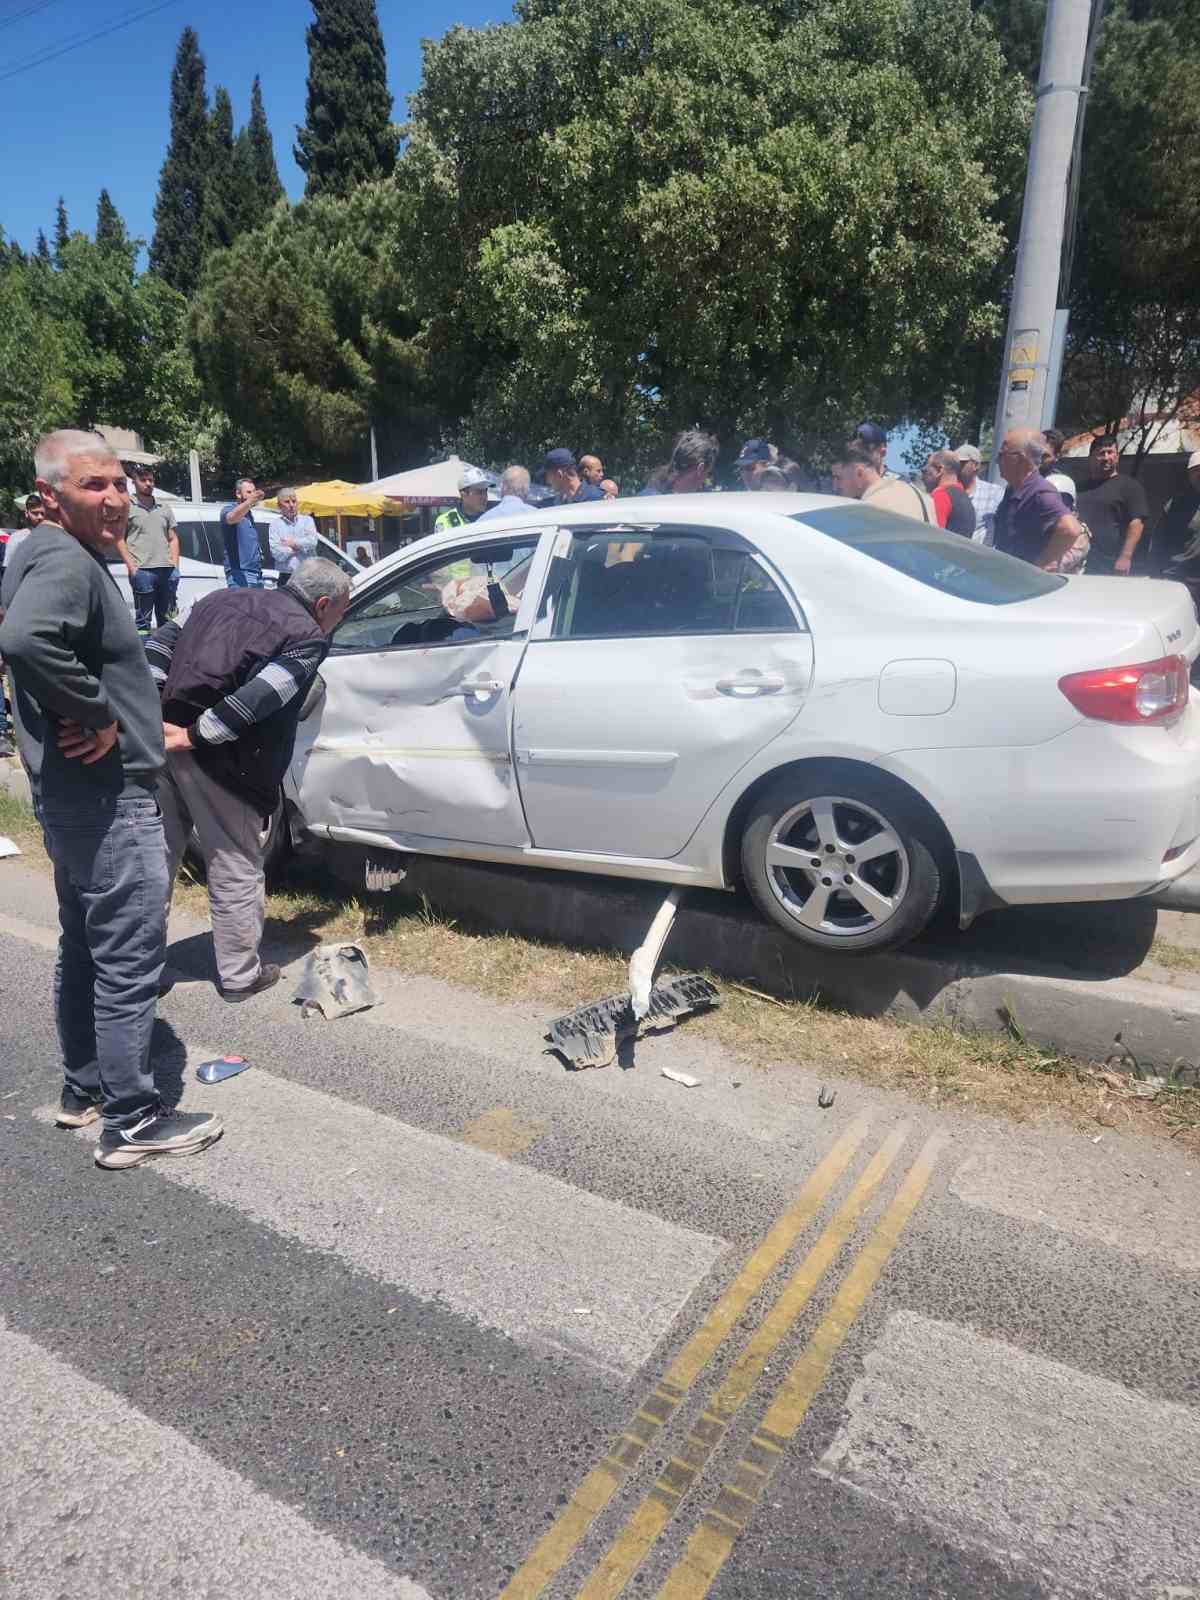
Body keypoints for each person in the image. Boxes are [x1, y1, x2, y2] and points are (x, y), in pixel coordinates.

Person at [0, 429, 221, 1169]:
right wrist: (97, 713)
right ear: (50, 496)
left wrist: (106, 707)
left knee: (86, 944)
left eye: (121, 483)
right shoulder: (63, 558)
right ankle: (132, 1118)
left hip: (71, 797)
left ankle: (84, 1089)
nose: (116, 498)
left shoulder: (41, 554)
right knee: (128, 955)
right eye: (95, 486)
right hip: (105, 797)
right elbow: (28, 641)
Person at [148, 558, 351, 1001]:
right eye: (342, 610)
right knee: (235, 864)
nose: (341, 619)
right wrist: (196, 736)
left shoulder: (218, 598)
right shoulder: (306, 637)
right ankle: (240, 974)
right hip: (225, 762)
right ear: (322, 604)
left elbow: (159, 643)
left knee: (155, 861)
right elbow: (261, 697)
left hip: (163, 746)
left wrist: (153, 712)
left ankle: (141, 971)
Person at [992, 428, 1086, 570]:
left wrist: (1041, 564)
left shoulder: (1040, 492)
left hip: (1022, 583)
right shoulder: (1012, 489)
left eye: (1002, 455)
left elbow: (1070, 529)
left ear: (1020, 459)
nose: (996, 460)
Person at [117, 464, 180, 634]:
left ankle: (166, 656)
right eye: (143, 480)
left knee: (168, 619)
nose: (148, 483)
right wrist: (132, 568)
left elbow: (173, 538)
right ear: (134, 482)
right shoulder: (126, 506)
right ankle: (145, 657)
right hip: (143, 571)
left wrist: (175, 566)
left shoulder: (164, 507)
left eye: (150, 480)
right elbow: (118, 538)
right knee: (143, 622)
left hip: (166, 571)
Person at [1076, 434, 1149, 575]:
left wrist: (1125, 557)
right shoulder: (1079, 488)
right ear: (1091, 457)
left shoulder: (1129, 486)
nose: (1106, 457)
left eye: (1111, 452)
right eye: (1101, 453)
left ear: (1117, 456)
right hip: (1078, 562)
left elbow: (1137, 523)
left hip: (1110, 564)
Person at [833, 438, 936, 521]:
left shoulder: (870, 508)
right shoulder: (920, 495)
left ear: (859, 474)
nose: (835, 486)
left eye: (839, 478)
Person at [1154, 450, 1200, 591]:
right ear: (1189, 475)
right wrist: (1156, 574)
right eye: (1196, 471)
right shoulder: (1176, 505)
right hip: (1180, 579)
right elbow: (1158, 542)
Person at [221, 476, 267, 587]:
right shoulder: (229, 508)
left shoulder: (249, 514)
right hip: (240, 572)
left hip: (256, 573)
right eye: (249, 492)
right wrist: (251, 501)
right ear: (238, 494)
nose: (253, 495)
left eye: (254, 492)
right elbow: (231, 517)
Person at [267, 488, 319, 587]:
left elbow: (312, 542)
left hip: (308, 575)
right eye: (287, 502)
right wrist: (297, 547)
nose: (291, 505)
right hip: (286, 576)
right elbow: (276, 553)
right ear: (279, 506)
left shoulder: (307, 520)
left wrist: (293, 543)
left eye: (294, 501)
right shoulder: (275, 525)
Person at [955, 445, 1005, 545]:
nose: (957, 467)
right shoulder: (950, 492)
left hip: (982, 556)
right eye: (955, 463)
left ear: (976, 465)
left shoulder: (994, 492)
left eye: (962, 463)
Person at [642, 430, 718, 495]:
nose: (704, 481)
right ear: (700, 469)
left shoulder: (647, 498)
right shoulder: (686, 507)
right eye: (707, 473)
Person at [921, 449, 976, 536]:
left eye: (925, 471)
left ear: (939, 470)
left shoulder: (940, 496)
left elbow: (932, 536)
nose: (922, 477)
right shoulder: (965, 497)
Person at [434, 466, 491, 532]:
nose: (484, 496)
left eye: (485, 491)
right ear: (463, 494)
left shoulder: (493, 518)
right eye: (479, 492)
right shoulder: (445, 521)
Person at [1041, 429, 1077, 510]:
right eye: (1036, 452)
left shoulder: (1061, 485)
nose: (1039, 458)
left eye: (1045, 456)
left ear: (1057, 456)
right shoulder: (1019, 480)